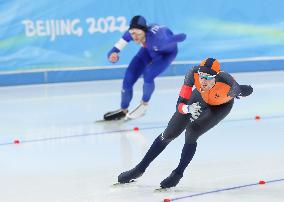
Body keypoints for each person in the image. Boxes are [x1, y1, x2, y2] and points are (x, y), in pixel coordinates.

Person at [116, 58, 253, 188]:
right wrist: (188, 108)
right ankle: (139, 169)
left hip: (220, 107)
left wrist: (242, 92)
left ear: (216, 77)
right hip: (199, 97)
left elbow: (247, 90)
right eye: (202, 76)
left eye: (208, 78)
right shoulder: (192, 73)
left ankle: (177, 174)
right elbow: (180, 104)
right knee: (169, 133)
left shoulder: (229, 84)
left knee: (192, 132)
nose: (203, 81)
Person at [103, 15, 187, 121]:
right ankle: (123, 110)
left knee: (148, 74)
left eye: (138, 33)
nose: (135, 37)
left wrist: (176, 38)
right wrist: (112, 54)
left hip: (165, 55)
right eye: (132, 33)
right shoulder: (131, 34)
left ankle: (144, 104)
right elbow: (115, 48)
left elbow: (181, 37)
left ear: (145, 31)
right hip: (148, 50)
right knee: (129, 77)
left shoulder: (159, 38)